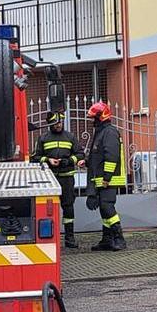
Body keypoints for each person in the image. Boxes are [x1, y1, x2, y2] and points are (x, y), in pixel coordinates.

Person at [29, 112, 80, 248]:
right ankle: (50, 239)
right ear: (50, 124)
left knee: (68, 207)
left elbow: (80, 154)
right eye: (56, 123)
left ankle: (69, 238)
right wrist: (48, 160)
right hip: (50, 179)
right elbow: (35, 157)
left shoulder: (70, 137)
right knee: (48, 209)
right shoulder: (43, 138)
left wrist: (69, 161)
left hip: (67, 178)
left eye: (60, 122)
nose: (58, 125)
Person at [85, 101, 127, 251]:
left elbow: (111, 157)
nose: (92, 121)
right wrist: (86, 162)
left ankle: (119, 238)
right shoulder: (101, 132)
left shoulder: (109, 132)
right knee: (103, 209)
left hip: (108, 179)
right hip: (102, 179)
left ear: (101, 117)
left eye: (94, 118)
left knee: (107, 207)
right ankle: (107, 239)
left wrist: (107, 178)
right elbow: (98, 156)